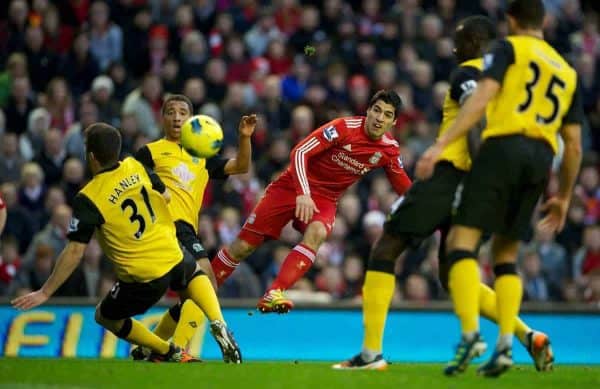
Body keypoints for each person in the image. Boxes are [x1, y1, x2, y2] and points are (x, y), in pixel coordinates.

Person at [332, 15, 554, 373]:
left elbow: (476, 116)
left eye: (460, 40)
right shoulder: (508, 82)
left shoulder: (468, 73)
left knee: (386, 247)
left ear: (475, 43)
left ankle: (371, 354)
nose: (453, 48)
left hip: (451, 174)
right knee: (456, 274)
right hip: (489, 185)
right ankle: (529, 336)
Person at [416, 0, 583, 377]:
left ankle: (471, 335)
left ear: (510, 20)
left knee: (461, 243)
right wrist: (565, 197)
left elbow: (480, 100)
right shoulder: (567, 71)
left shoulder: (508, 49)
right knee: (505, 255)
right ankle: (507, 343)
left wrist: (440, 145)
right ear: (545, 21)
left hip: (502, 148)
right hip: (541, 159)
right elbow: (573, 145)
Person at [11, 123, 242, 364]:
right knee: (194, 274)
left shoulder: (88, 198)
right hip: (170, 251)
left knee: (105, 315)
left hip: (143, 276)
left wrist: (46, 291)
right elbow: (165, 195)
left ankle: (166, 349)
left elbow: (75, 251)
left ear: (91, 156)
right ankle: (219, 322)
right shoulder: (134, 165)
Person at [211, 90, 412, 313]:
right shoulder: (343, 128)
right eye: (376, 110)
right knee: (242, 247)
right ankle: (204, 289)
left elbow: (405, 188)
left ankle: (274, 292)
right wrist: (303, 193)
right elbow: (299, 153)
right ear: (367, 111)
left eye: (387, 114)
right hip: (292, 185)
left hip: (326, 199)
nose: (379, 118)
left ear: (393, 122)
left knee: (318, 233)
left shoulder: (389, 150)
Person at [131, 94, 255, 359]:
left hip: (187, 228)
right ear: (162, 118)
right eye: (171, 112)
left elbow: (241, 166)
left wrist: (244, 137)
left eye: (182, 112)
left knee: (192, 296)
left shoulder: (202, 154)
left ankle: (150, 348)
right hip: (165, 226)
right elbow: (134, 178)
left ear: (191, 119)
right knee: (206, 283)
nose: (176, 117)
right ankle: (179, 348)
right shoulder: (150, 151)